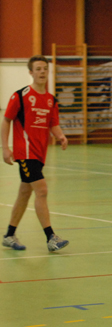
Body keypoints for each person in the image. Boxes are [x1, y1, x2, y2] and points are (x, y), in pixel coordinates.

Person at [1, 55, 69, 252]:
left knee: (24, 193)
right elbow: (6, 120)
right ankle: (51, 237)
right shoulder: (20, 96)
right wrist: (5, 148)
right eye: (38, 69)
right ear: (31, 72)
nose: (42, 72)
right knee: (42, 191)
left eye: (44, 69)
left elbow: (53, 124)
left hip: (40, 154)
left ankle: (9, 235)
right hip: (25, 152)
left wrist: (61, 136)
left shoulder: (51, 100)